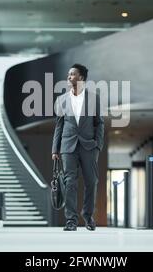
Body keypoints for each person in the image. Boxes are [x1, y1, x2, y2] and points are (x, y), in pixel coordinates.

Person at [51, 64, 104, 231]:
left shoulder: (94, 98)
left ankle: (88, 216)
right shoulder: (61, 100)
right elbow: (59, 126)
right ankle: (71, 220)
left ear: (81, 78)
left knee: (91, 181)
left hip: (89, 146)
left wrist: (98, 145)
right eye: (68, 74)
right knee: (70, 183)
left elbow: (99, 123)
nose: (68, 77)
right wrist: (55, 149)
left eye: (72, 74)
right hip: (68, 146)